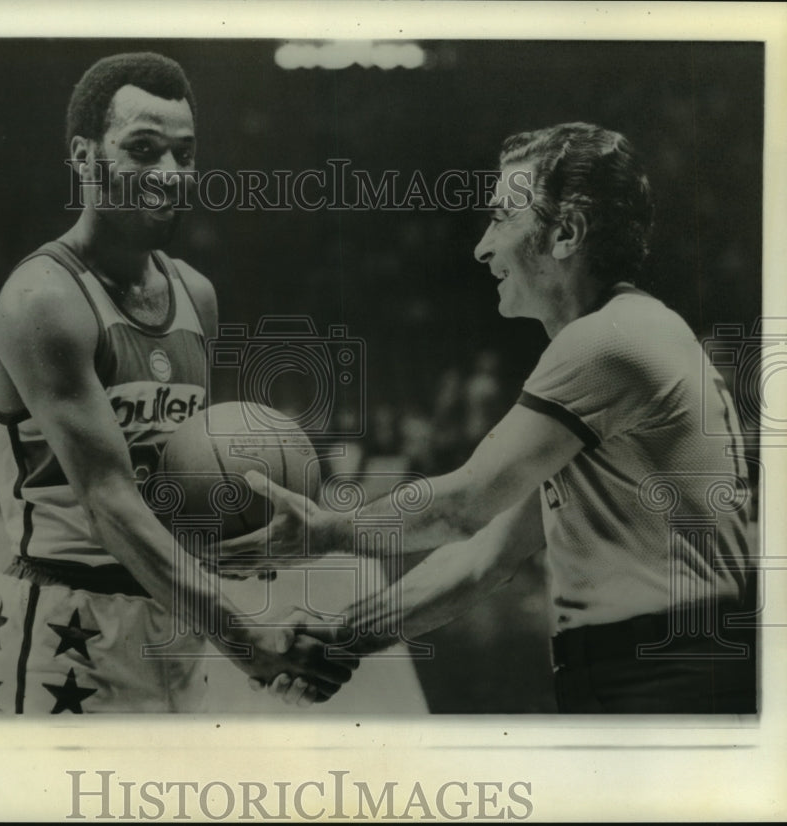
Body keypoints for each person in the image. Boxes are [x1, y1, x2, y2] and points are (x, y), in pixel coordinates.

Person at [227, 122, 756, 713]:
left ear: (565, 233)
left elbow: (459, 507)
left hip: (662, 676)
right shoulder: (626, 340)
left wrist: (324, 531)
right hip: (660, 669)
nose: (482, 246)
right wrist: (343, 635)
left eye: (503, 216)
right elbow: (486, 556)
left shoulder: (606, 342)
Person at [0, 52, 355, 713]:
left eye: (183, 153)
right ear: (86, 157)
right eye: (143, 150)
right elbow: (109, 501)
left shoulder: (194, 294)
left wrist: (247, 544)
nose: (169, 175)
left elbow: (180, 481)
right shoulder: (44, 300)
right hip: (67, 623)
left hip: (175, 625)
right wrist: (245, 636)